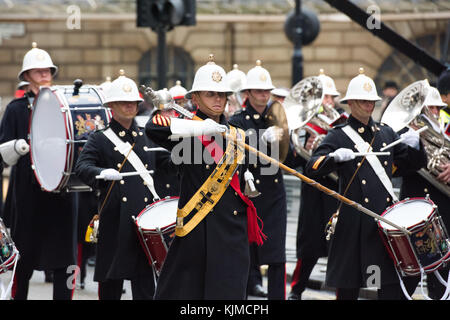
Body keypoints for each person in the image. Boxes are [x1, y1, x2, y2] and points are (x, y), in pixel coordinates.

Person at [145, 55, 265, 299]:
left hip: (232, 233)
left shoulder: (237, 135)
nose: (218, 99)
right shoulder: (187, 128)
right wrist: (201, 128)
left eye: (221, 94)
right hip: (197, 229)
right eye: (210, 94)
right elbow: (154, 127)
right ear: (196, 98)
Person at [305, 68, 427, 300]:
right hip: (355, 222)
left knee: (391, 287)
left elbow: (413, 165)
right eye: (363, 100)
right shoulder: (339, 135)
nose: (369, 105)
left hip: (383, 222)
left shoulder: (385, 133)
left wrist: (416, 145)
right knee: (348, 289)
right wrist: (333, 158)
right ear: (350, 102)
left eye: (371, 101)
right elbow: (313, 166)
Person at [0, 42, 77, 300]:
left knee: (65, 260)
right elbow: (2, 153)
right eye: (38, 71)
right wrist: (16, 147)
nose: (44, 75)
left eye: (47, 70)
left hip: (61, 194)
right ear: (26, 76)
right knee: (24, 258)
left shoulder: (66, 105)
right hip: (28, 194)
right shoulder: (16, 109)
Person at [75, 70, 157, 300]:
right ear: (111, 105)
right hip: (115, 219)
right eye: (123, 102)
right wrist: (101, 172)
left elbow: (164, 165)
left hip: (143, 221)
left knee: (144, 286)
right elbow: (82, 167)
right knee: (111, 285)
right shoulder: (99, 138)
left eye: (133, 102)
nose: (129, 106)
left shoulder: (145, 136)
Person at [229, 60, 300, 300]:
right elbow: (236, 158)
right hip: (249, 195)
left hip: (275, 195)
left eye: (266, 91)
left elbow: (288, 160)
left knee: (277, 257)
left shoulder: (276, 117)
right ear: (247, 93)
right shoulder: (237, 121)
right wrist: (261, 140)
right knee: (246, 255)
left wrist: (288, 140)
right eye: (258, 91)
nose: (263, 95)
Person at [288, 69, 343, 300]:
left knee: (339, 247)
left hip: (336, 193)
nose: (326, 102)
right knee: (308, 245)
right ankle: (296, 290)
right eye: (323, 97)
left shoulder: (342, 123)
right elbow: (291, 160)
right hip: (312, 191)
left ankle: (343, 292)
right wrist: (306, 146)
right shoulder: (306, 123)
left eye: (330, 98)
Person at [399, 83, 450, 299]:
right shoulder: (405, 130)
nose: (435, 112)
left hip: (444, 209)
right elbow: (398, 166)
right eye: (431, 107)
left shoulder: (444, 129)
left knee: (443, 271)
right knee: (412, 270)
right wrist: (414, 147)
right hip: (417, 209)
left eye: (438, 108)